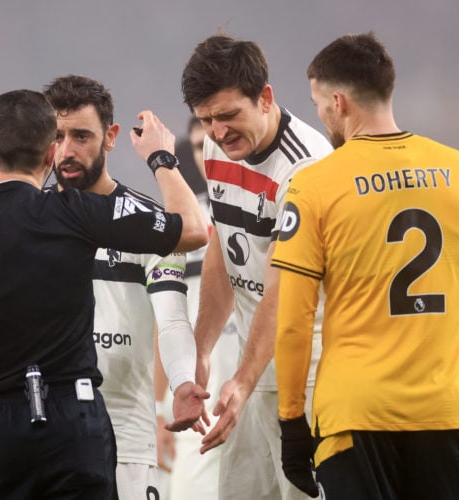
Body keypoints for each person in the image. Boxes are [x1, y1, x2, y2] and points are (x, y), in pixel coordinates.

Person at [0, 89, 208, 499]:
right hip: (73, 424)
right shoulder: (74, 212)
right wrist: (162, 158)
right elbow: (193, 229)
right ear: (50, 153)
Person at [272, 32, 459, 499]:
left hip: (354, 416)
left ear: (338, 102)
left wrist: (290, 421)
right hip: (448, 411)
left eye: (318, 104)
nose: (321, 115)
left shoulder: (315, 186)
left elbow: (294, 323)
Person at [180, 34, 332, 500]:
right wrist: (201, 350)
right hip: (252, 370)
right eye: (207, 120)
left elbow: (283, 289)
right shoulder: (215, 147)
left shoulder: (306, 168)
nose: (218, 133)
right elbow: (223, 249)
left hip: (307, 378)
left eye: (228, 116)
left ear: (265, 98)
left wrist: (242, 381)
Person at [42, 74, 209, 500]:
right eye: (57, 136)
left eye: (81, 136)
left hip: (126, 438)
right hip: (43, 436)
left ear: (111, 137)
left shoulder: (146, 221)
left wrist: (182, 379)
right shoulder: (29, 218)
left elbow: (171, 318)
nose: (67, 150)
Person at [156, 116, 239, 500]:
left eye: (214, 142)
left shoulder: (271, 204)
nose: (207, 154)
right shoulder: (185, 222)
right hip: (200, 404)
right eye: (198, 146)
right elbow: (165, 316)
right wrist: (159, 409)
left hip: (259, 395)